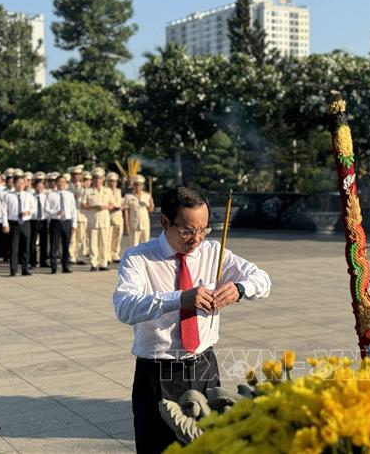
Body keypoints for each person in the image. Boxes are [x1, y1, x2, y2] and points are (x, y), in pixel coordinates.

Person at [113, 186, 271, 454]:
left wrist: (240, 289)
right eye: (187, 230)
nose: (196, 239)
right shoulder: (139, 258)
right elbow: (125, 307)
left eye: (203, 229)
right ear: (165, 222)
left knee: (211, 446)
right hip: (158, 373)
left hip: (204, 368)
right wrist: (180, 299)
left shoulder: (213, 252)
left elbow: (262, 280)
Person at [1, 175, 36, 276]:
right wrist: (5, 224)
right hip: (13, 223)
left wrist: (28, 212)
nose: (20, 185)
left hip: (25, 223)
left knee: (25, 247)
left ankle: (25, 269)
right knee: (14, 248)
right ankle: (13, 269)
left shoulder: (29, 196)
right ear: (13, 184)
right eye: (17, 183)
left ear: (25, 184)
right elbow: (4, 211)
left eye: (22, 183)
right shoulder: (7, 196)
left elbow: (34, 208)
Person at [82, 167, 113, 271]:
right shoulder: (88, 191)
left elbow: (112, 204)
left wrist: (105, 207)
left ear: (103, 179)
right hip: (93, 219)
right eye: (95, 178)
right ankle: (93, 263)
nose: (97, 180)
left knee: (104, 242)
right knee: (92, 243)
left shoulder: (107, 191)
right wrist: (94, 207)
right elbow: (83, 205)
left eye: (99, 178)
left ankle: (103, 263)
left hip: (104, 219)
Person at [45, 175, 77, 274]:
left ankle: (65, 266)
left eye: (63, 182)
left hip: (67, 222)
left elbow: (73, 210)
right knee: (54, 245)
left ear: (65, 183)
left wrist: (74, 224)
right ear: (56, 183)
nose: (61, 184)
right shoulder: (51, 195)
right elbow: (46, 209)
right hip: (55, 222)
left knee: (66, 245)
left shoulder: (69, 195)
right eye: (59, 182)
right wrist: (55, 212)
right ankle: (54, 266)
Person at [123, 175, 154, 247]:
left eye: (140, 185)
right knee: (134, 245)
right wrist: (126, 225)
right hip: (134, 224)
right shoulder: (128, 197)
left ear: (142, 186)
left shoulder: (147, 196)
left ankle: (144, 258)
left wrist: (151, 203)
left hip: (144, 224)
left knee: (146, 245)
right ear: (133, 185)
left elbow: (150, 210)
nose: (138, 187)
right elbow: (126, 211)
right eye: (136, 185)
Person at [30, 178, 50, 268]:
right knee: (32, 242)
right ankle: (33, 261)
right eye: (38, 187)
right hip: (33, 221)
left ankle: (43, 261)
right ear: (34, 187)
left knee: (44, 242)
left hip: (43, 220)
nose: (40, 188)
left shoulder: (46, 197)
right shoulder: (30, 197)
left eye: (42, 186)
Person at [106, 172, 124, 263]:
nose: (112, 183)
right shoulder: (106, 191)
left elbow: (123, 203)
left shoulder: (119, 191)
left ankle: (115, 254)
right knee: (108, 237)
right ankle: (108, 255)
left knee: (117, 237)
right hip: (109, 216)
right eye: (111, 181)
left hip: (118, 216)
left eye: (114, 181)